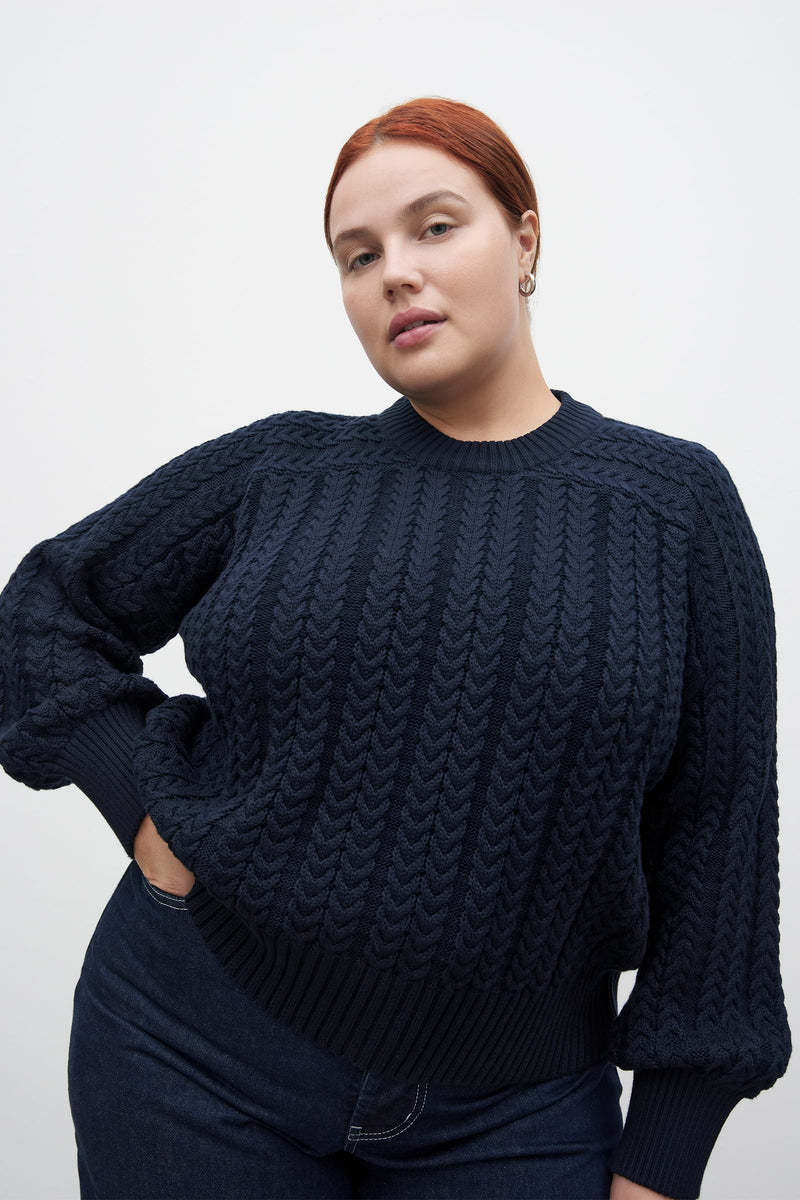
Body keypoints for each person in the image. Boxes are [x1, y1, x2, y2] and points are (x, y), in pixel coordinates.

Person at [0, 95, 791, 1200]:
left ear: (524, 239)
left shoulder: (673, 504)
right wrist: (139, 800)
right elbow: (44, 608)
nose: (394, 275)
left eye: (435, 227)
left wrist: (664, 1153)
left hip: (515, 1114)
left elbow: (717, 830)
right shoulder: (282, 469)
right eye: (357, 255)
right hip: (190, 1049)